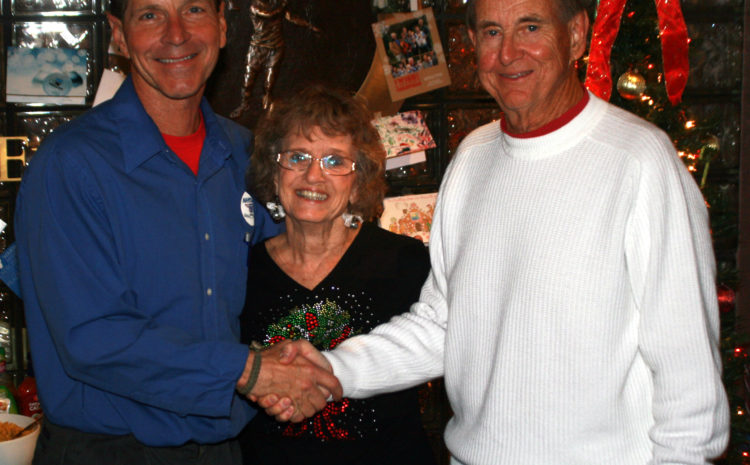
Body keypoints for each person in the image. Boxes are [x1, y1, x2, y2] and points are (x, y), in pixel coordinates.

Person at [263, 0, 731, 463]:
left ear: (575, 34)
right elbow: (445, 325)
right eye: (491, 32)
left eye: (530, 28)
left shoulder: (640, 162)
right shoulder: (473, 156)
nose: (507, 53)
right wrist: (330, 368)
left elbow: (686, 367)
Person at [13, 0, 340, 462]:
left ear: (223, 26)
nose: (176, 34)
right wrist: (249, 372)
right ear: (119, 35)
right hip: (110, 451)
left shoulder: (246, 155)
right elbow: (93, 339)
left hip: (228, 447)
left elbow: (287, 281)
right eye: (149, 15)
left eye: (193, 10)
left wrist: (292, 373)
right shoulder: (70, 166)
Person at [238, 85, 436, 465]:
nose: (314, 175)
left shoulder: (407, 265)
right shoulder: (242, 272)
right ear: (273, 170)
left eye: (334, 161)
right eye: (297, 157)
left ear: (358, 179)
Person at [229, 0, 320, 118]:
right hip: (257, 48)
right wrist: (282, 4)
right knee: (248, 81)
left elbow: (290, 17)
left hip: (275, 47)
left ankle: (267, 108)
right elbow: (269, 14)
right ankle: (244, 104)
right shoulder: (256, 6)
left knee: (269, 83)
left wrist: (309, 26)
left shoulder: (277, 5)